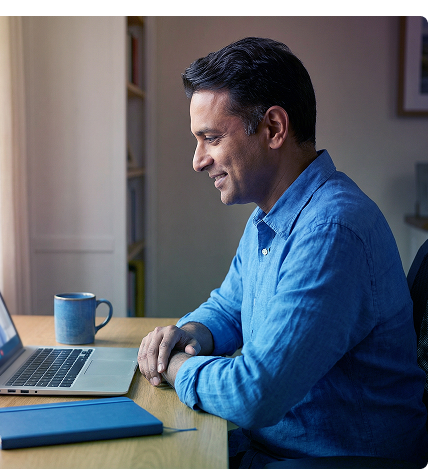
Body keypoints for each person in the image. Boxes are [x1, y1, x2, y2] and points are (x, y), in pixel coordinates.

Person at [137, 37, 428, 468]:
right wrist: (191, 332)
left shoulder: (332, 231)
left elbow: (254, 394)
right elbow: (230, 306)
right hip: (278, 447)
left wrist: (176, 365)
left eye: (211, 138)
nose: (198, 161)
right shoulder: (269, 218)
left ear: (273, 128)